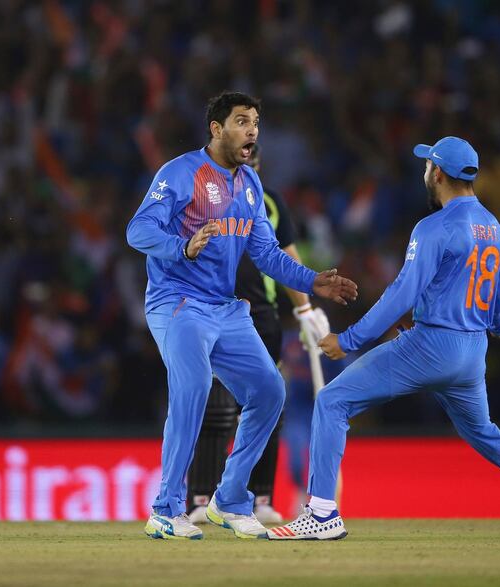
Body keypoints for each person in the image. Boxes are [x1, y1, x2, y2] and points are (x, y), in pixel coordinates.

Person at [265, 136, 500, 541]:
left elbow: (401, 294)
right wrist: (497, 321)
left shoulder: (433, 227)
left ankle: (321, 514)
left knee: (333, 401)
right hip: (472, 352)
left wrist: (349, 339)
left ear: (437, 173)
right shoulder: (493, 227)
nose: (426, 171)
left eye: (428, 165)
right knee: (486, 433)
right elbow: (497, 296)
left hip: (431, 346)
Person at [126, 91, 357, 540]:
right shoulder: (179, 173)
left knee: (270, 391)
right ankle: (165, 508)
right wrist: (182, 246)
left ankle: (229, 498)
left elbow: (268, 254)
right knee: (192, 387)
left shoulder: (249, 185)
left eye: (255, 121)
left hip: (226, 308)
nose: (252, 129)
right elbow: (138, 230)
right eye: (241, 121)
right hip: (178, 301)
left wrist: (312, 281)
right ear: (216, 129)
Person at [187, 144, 330, 526]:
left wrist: (303, 308)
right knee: (215, 408)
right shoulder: (202, 195)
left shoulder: (270, 202)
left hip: (262, 316)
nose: (244, 167)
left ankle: (259, 496)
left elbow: (287, 255)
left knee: (268, 404)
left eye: (252, 161)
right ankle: (203, 496)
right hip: (215, 309)